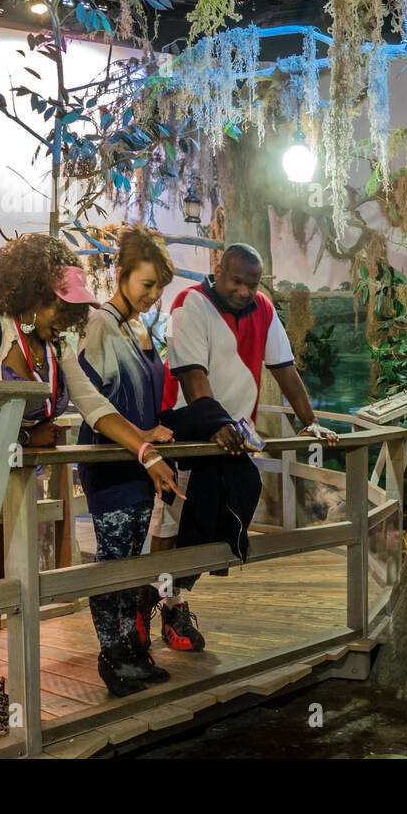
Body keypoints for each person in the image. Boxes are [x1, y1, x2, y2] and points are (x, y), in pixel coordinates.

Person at [0, 234, 181, 745]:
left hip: (16, 481)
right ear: (24, 293)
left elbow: (95, 406)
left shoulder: (56, 346)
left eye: (65, 307)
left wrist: (145, 452)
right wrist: (25, 433)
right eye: (53, 304)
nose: (60, 316)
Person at [138, 243, 338, 652]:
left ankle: (174, 598)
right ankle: (149, 603)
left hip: (230, 437)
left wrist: (311, 422)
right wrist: (216, 425)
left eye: (253, 283)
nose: (246, 291)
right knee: (169, 522)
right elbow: (194, 378)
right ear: (217, 270)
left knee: (209, 519)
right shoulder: (187, 304)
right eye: (237, 281)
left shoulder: (264, 309)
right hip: (186, 430)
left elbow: (284, 368)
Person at [77, 225, 182, 697]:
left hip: (140, 459)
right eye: (146, 284)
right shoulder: (99, 323)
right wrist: (140, 438)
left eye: (160, 287)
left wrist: (151, 430)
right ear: (120, 275)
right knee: (113, 559)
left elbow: (140, 399)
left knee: (130, 559)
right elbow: (92, 404)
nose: (154, 295)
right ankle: (112, 655)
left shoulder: (138, 327)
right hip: (112, 462)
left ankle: (131, 649)